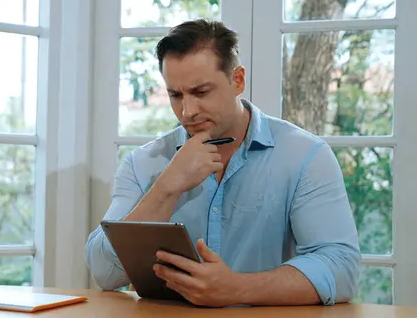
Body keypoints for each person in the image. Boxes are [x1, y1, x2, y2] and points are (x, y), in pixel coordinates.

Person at [84, 19, 361, 307]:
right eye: (175, 95)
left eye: (201, 92)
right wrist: (167, 186)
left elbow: (341, 268)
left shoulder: (306, 156)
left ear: (237, 80)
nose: (187, 111)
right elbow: (104, 271)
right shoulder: (142, 163)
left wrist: (237, 288)